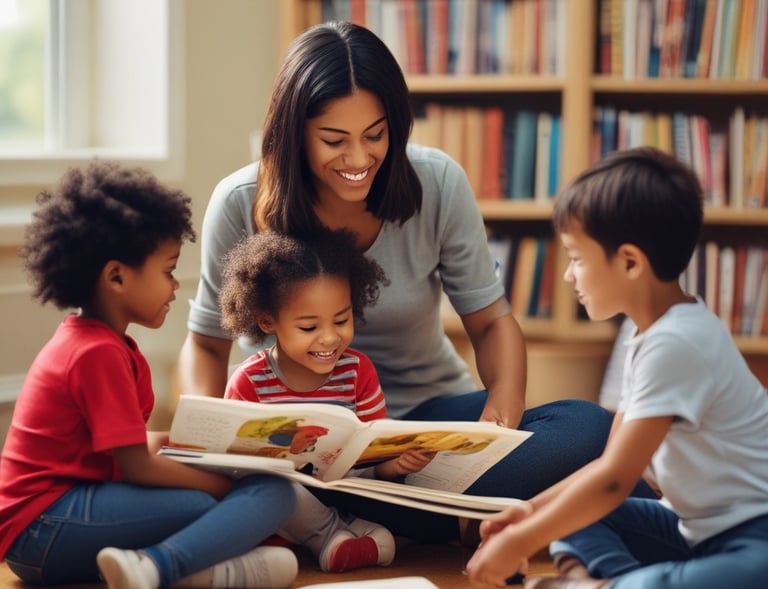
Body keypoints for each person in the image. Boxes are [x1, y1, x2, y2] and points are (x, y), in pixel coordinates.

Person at [178, 20, 627, 541]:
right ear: (294, 133)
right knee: (616, 484)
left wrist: (498, 424)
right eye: (334, 140)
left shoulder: (436, 182)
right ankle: (445, 515)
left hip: (422, 421)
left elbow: (492, 323)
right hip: (295, 439)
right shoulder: (240, 201)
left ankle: (365, 517)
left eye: (376, 135)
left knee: (588, 427)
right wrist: (209, 445)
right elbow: (207, 346)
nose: (359, 159)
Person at [465, 147, 768, 589]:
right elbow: (608, 464)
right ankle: (598, 583)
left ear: (629, 262)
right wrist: (528, 515)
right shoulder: (649, 334)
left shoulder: (677, 343)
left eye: (577, 258)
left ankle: (603, 583)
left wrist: (518, 543)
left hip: (754, 539)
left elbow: (615, 482)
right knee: (578, 516)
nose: (569, 276)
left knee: (603, 522)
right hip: (695, 533)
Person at [0, 161, 299, 589]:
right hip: (43, 528)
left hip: (55, 523)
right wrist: (220, 485)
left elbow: (128, 447)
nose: (176, 286)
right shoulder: (95, 353)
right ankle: (160, 568)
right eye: (168, 270)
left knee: (258, 495)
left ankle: (188, 572)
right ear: (116, 276)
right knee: (217, 503)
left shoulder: (105, 344)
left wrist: (208, 451)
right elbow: (137, 467)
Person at [220, 228, 436, 572]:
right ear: (267, 321)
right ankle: (326, 538)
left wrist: (396, 465)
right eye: (308, 327)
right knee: (271, 489)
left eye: (342, 320)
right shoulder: (250, 382)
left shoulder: (357, 371)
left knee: (384, 540)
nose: (330, 337)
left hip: (345, 496)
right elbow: (235, 466)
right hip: (281, 500)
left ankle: (326, 539)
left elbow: (369, 459)